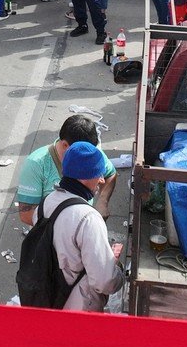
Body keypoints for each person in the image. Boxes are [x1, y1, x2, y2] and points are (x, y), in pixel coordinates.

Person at [33, 141, 125, 312]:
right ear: (86, 177)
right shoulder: (88, 219)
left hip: (43, 302)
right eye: (99, 173)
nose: (102, 180)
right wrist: (116, 268)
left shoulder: (45, 204)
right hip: (77, 313)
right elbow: (104, 281)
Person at [16, 112, 118, 227]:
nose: (101, 180)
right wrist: (67, 230)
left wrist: (102, 201)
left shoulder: (90, 154)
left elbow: (110, 174)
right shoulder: (36, 164)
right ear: (65, 145)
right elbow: (26, 214)